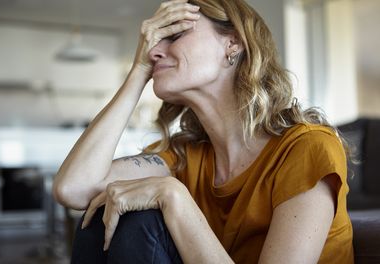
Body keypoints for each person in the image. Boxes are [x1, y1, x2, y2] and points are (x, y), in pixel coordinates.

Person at [52, 0, 354, 263]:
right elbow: (74, 189)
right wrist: (139, 71)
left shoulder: (307, 147)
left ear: (232, 43)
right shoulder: (184, 158)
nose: (154, 51)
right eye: (154, 42)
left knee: (139, 220)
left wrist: (173, 196)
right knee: (102, 215)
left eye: (175, 35)